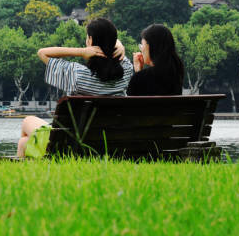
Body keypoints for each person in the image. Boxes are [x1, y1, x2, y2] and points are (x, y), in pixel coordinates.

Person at [17, 18, 133, 158]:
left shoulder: (77, 75)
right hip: (109, 143)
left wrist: (81, 51)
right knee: (24, 142)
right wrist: (119, 45)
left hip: (72, 144)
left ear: (90, 40)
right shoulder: (126, 71)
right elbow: (113, 43)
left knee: (26, 122)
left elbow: (42, 52)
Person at [127, 24, 184, 96]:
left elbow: (131, 102)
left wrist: (138, 74)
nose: (141, 49)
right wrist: (139, 72)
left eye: (142, 45)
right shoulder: (177, 73)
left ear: (150, 47)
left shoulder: (139, 78)